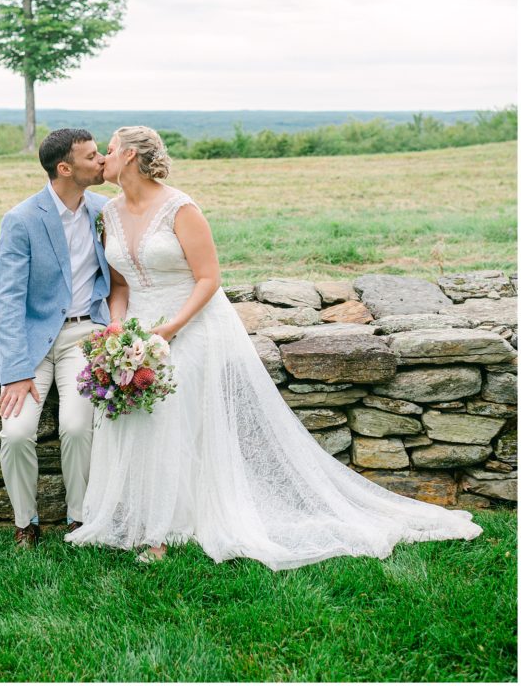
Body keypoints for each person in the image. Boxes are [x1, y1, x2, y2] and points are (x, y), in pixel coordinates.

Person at [66, 125, 482, 569]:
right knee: (133, 422)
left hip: (189, 324)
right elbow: (122, 284)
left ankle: (162, 534)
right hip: (136, 329)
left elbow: (208, 278)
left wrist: (170, 329)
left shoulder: (180, 208)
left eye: (108, 151)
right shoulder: (108, 213)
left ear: (130, 156)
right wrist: (116, 329)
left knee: (171, 418)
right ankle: (143, 519)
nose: (103, 159)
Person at [0, 128, 110, 548]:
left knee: (78, 427)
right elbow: (6, 300)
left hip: (83, 336)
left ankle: (80, 520)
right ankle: (27, 522)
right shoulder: (21, 219)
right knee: (16, 433)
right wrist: (17, 370)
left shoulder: (103, 210)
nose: (102, 160)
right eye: (93, 156)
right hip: (30, 344)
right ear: (65, 168)